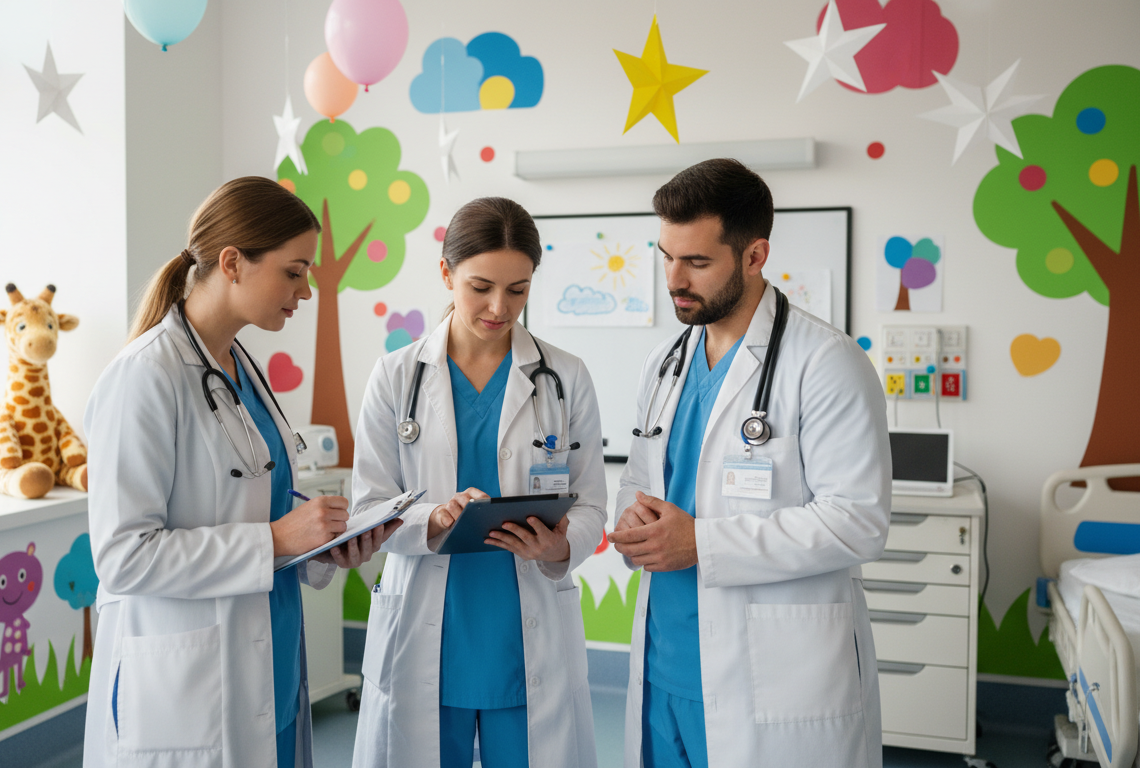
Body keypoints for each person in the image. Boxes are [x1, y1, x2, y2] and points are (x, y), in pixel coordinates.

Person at [82, 177, 398, 768]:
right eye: (294, 271)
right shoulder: (145, 376)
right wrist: (279, 538)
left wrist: (323, 542)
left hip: (267, 660)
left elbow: (257, 498)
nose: (305, 290)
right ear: (232, 262)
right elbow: (123, 556)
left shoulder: (239, 365)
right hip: (192, 689)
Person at [607, 159, 891, 768]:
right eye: (665, 256)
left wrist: (701, 543)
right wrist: (631, 517)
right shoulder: (665, 363)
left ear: (755, 255)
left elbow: (858, 521)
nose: (674, 280)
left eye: (697, 262)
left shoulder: (826, 362)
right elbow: (641, 477)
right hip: (665, 658)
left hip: (771, 671)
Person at [350, 197, 606, 768]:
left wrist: (562, 544)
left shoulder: (565, 376)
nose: (499, 307)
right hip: (426, 630)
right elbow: (367, 508)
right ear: (446, 272)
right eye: (480, 287)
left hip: (524, 629)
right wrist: (433, 518)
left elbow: (590, 502)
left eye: (518, 290)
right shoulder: (396, 377)